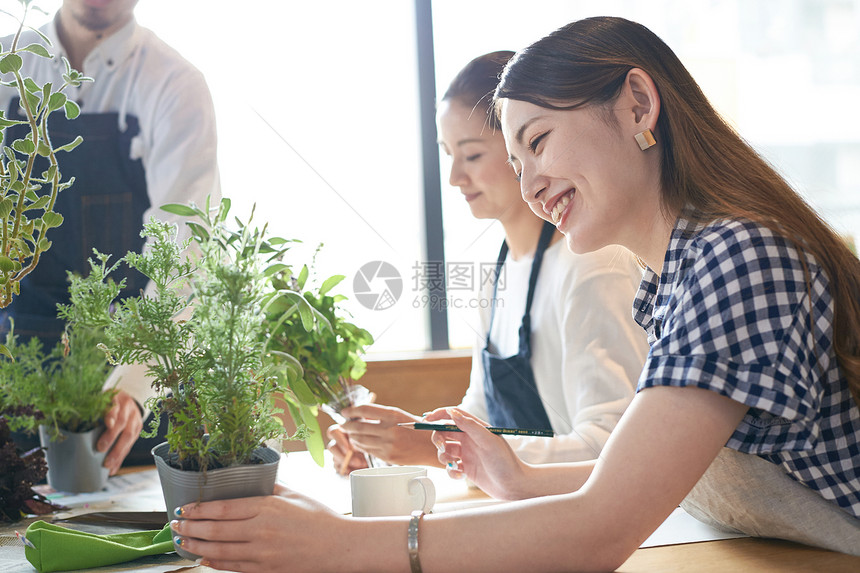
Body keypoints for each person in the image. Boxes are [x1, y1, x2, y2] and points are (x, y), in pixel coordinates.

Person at [168, 16, 860, 571]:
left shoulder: (735, 257)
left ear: (638, 105)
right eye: (516, 159)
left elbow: (599, 531)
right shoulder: (674, 273)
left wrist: (334, 546)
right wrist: (518, 478)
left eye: (538, 141)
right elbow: (645, 475)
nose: (529, 184)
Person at [327, 51, 648, 472]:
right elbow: (481, 417)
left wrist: (435, 449)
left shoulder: (593, 266)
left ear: (526, 145)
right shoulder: (494, 275)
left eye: (472, 155)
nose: (455, 177)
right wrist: (386, 452)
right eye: (449, 154)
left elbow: (612, 449)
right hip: (525, 511)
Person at [0, 0, 220, 474]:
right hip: (15, 379)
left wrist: (136, 382)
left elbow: (184, 254)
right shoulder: (7, 68)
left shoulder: (174, 84)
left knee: (132, 540)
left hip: (131, 387)